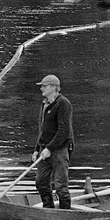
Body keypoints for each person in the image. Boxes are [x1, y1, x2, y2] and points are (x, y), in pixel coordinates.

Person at [32, 74, 74, 209]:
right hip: (45, 149)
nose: (41, 89)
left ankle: (66, 215)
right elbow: (43, 130)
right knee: (41, 182)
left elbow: (64, 131)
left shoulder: (63, 104)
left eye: (44, 86)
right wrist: (36, 149)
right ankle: (48, 209)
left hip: (60, 149)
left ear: (53, 87)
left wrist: (50, 149)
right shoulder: (45, 104)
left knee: (61, 185)